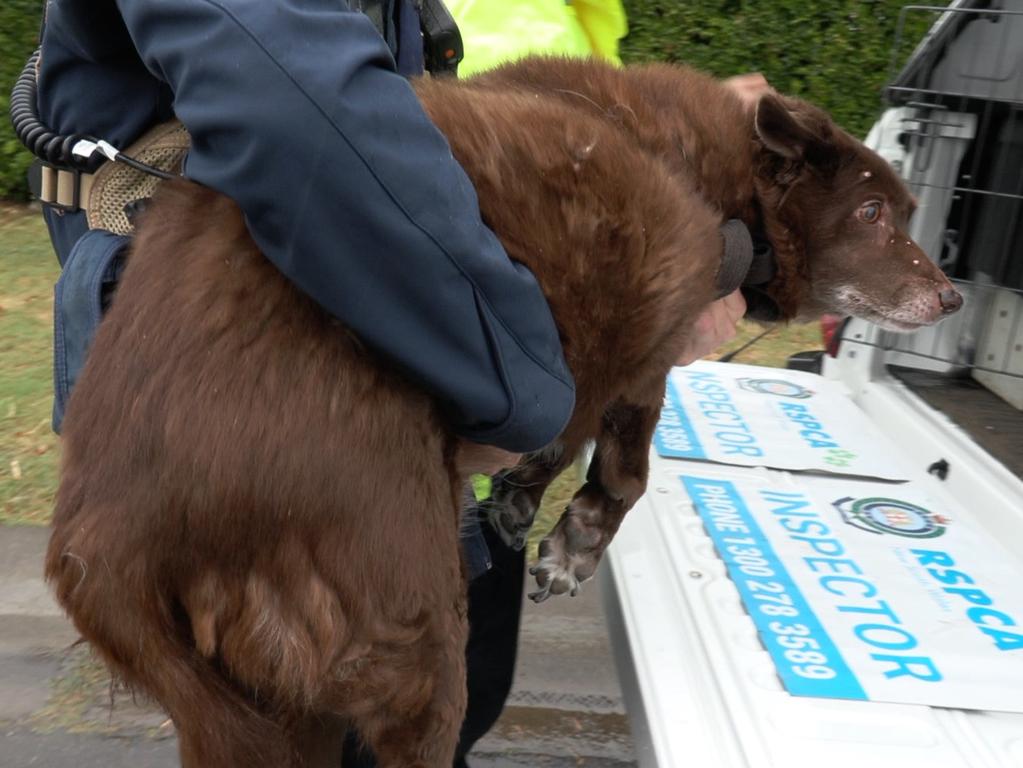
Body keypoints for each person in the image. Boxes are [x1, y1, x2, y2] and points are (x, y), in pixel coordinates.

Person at [30, 1, 749, 765]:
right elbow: (296, 118)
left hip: (347, 399)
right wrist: (525, 389)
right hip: (252, 418)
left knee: (381, 708)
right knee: (383, 717)